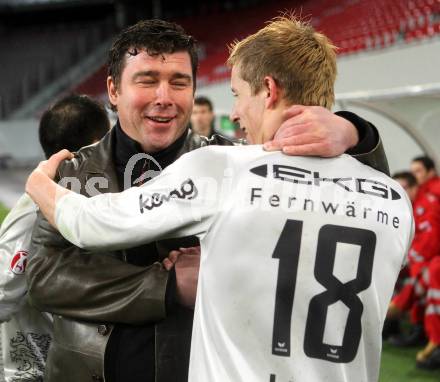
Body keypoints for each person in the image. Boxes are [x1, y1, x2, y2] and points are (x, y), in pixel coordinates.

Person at [25, 16, 412, 382]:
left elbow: (87, 223)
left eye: (179, 82)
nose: (164, 96)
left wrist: (352, 131)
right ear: (113, 90)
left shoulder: (227, 164)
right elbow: (42, 278)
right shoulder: (78, 168)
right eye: (147, 80)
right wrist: (166, 286)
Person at [0, 94, 109, 381]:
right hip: (35, 373)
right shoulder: (34, 210)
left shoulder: (89, 200)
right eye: (109, 140)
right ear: (94, 146)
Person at [386, 172, 440, 369]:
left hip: (428, 260)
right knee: (398, 267)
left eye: (418, 170)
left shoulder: (431, 198)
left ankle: (433, 340)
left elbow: (430, 240)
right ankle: (407, 324)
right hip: (423, 259)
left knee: (429, 272)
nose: (401, 192)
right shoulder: (411, 204)